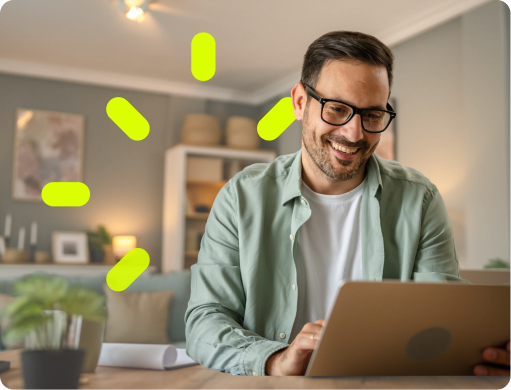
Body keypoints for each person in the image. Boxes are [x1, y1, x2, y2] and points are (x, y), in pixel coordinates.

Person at [184, 31, 511, 377]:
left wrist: (490, 351)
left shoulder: (420, 199)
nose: (355, 134)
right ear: (299, 102)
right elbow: (205, 320)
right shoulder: (240, 198)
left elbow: (445, 315)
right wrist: (276, 359)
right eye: (337, 109)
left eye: (372, 115)